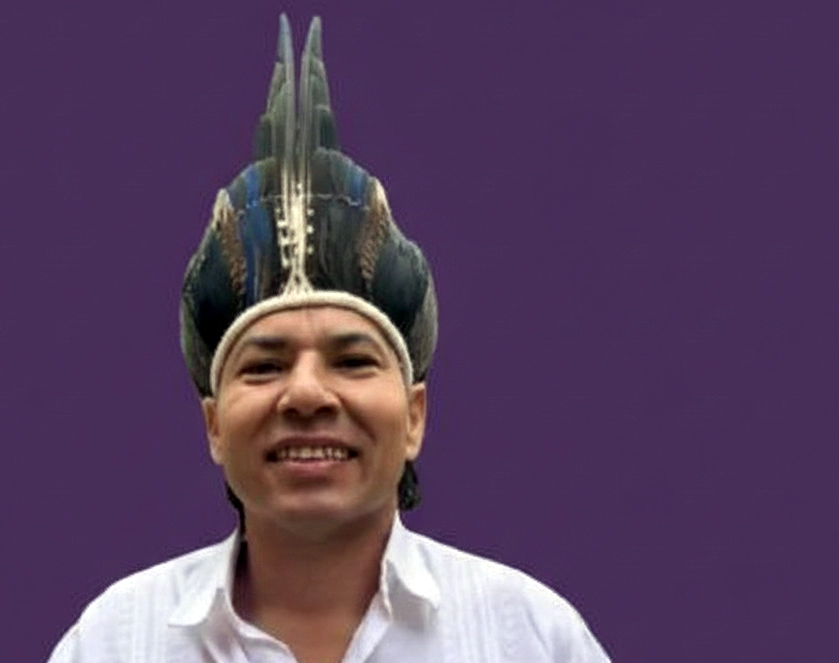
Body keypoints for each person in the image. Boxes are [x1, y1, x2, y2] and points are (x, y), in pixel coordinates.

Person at [48, 15, 610, 663]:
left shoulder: (529, 636)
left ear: (415, 416)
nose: (307, 394)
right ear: (214, 425)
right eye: (264, 366)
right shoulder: (118, 639)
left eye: (352, 360)